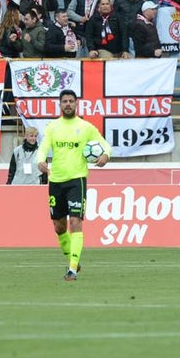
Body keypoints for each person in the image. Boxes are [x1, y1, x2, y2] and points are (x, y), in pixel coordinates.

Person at [37, 89, 111, 281]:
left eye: (71, 101)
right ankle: (74, 261)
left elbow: (104, 144)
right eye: (65, 101)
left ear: (76, 104)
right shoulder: (52, 127)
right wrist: (40, 160)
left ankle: (71, 268)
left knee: (75, 223)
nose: (68, 104)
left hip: (77, 179)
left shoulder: (85, 127)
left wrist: (105, 155)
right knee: (59, 227)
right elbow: (44, 146)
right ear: (60, 104)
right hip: (56, 181)